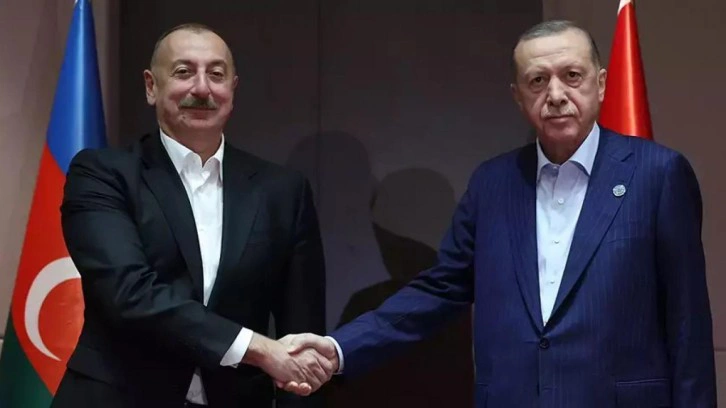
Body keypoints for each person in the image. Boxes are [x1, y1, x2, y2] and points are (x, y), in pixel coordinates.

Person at [281, 20, 717, 407]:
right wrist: (338, 349)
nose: (556, 95)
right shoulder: (493, 183)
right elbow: (439, 289)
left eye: (572, 76)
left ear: (601, 84)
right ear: (517, 97)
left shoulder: (657, 174)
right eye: (537, 81)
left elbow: (688, 324)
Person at [51, 23, 333, 408]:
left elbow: (301, 335)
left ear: (233, 88)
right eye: (183, 72)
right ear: (151, 86)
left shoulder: (283, 191)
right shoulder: (102, 174)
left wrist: (297, 384)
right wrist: (257, 348)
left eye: (216, 74)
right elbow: (128, 293)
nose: (202, 89)